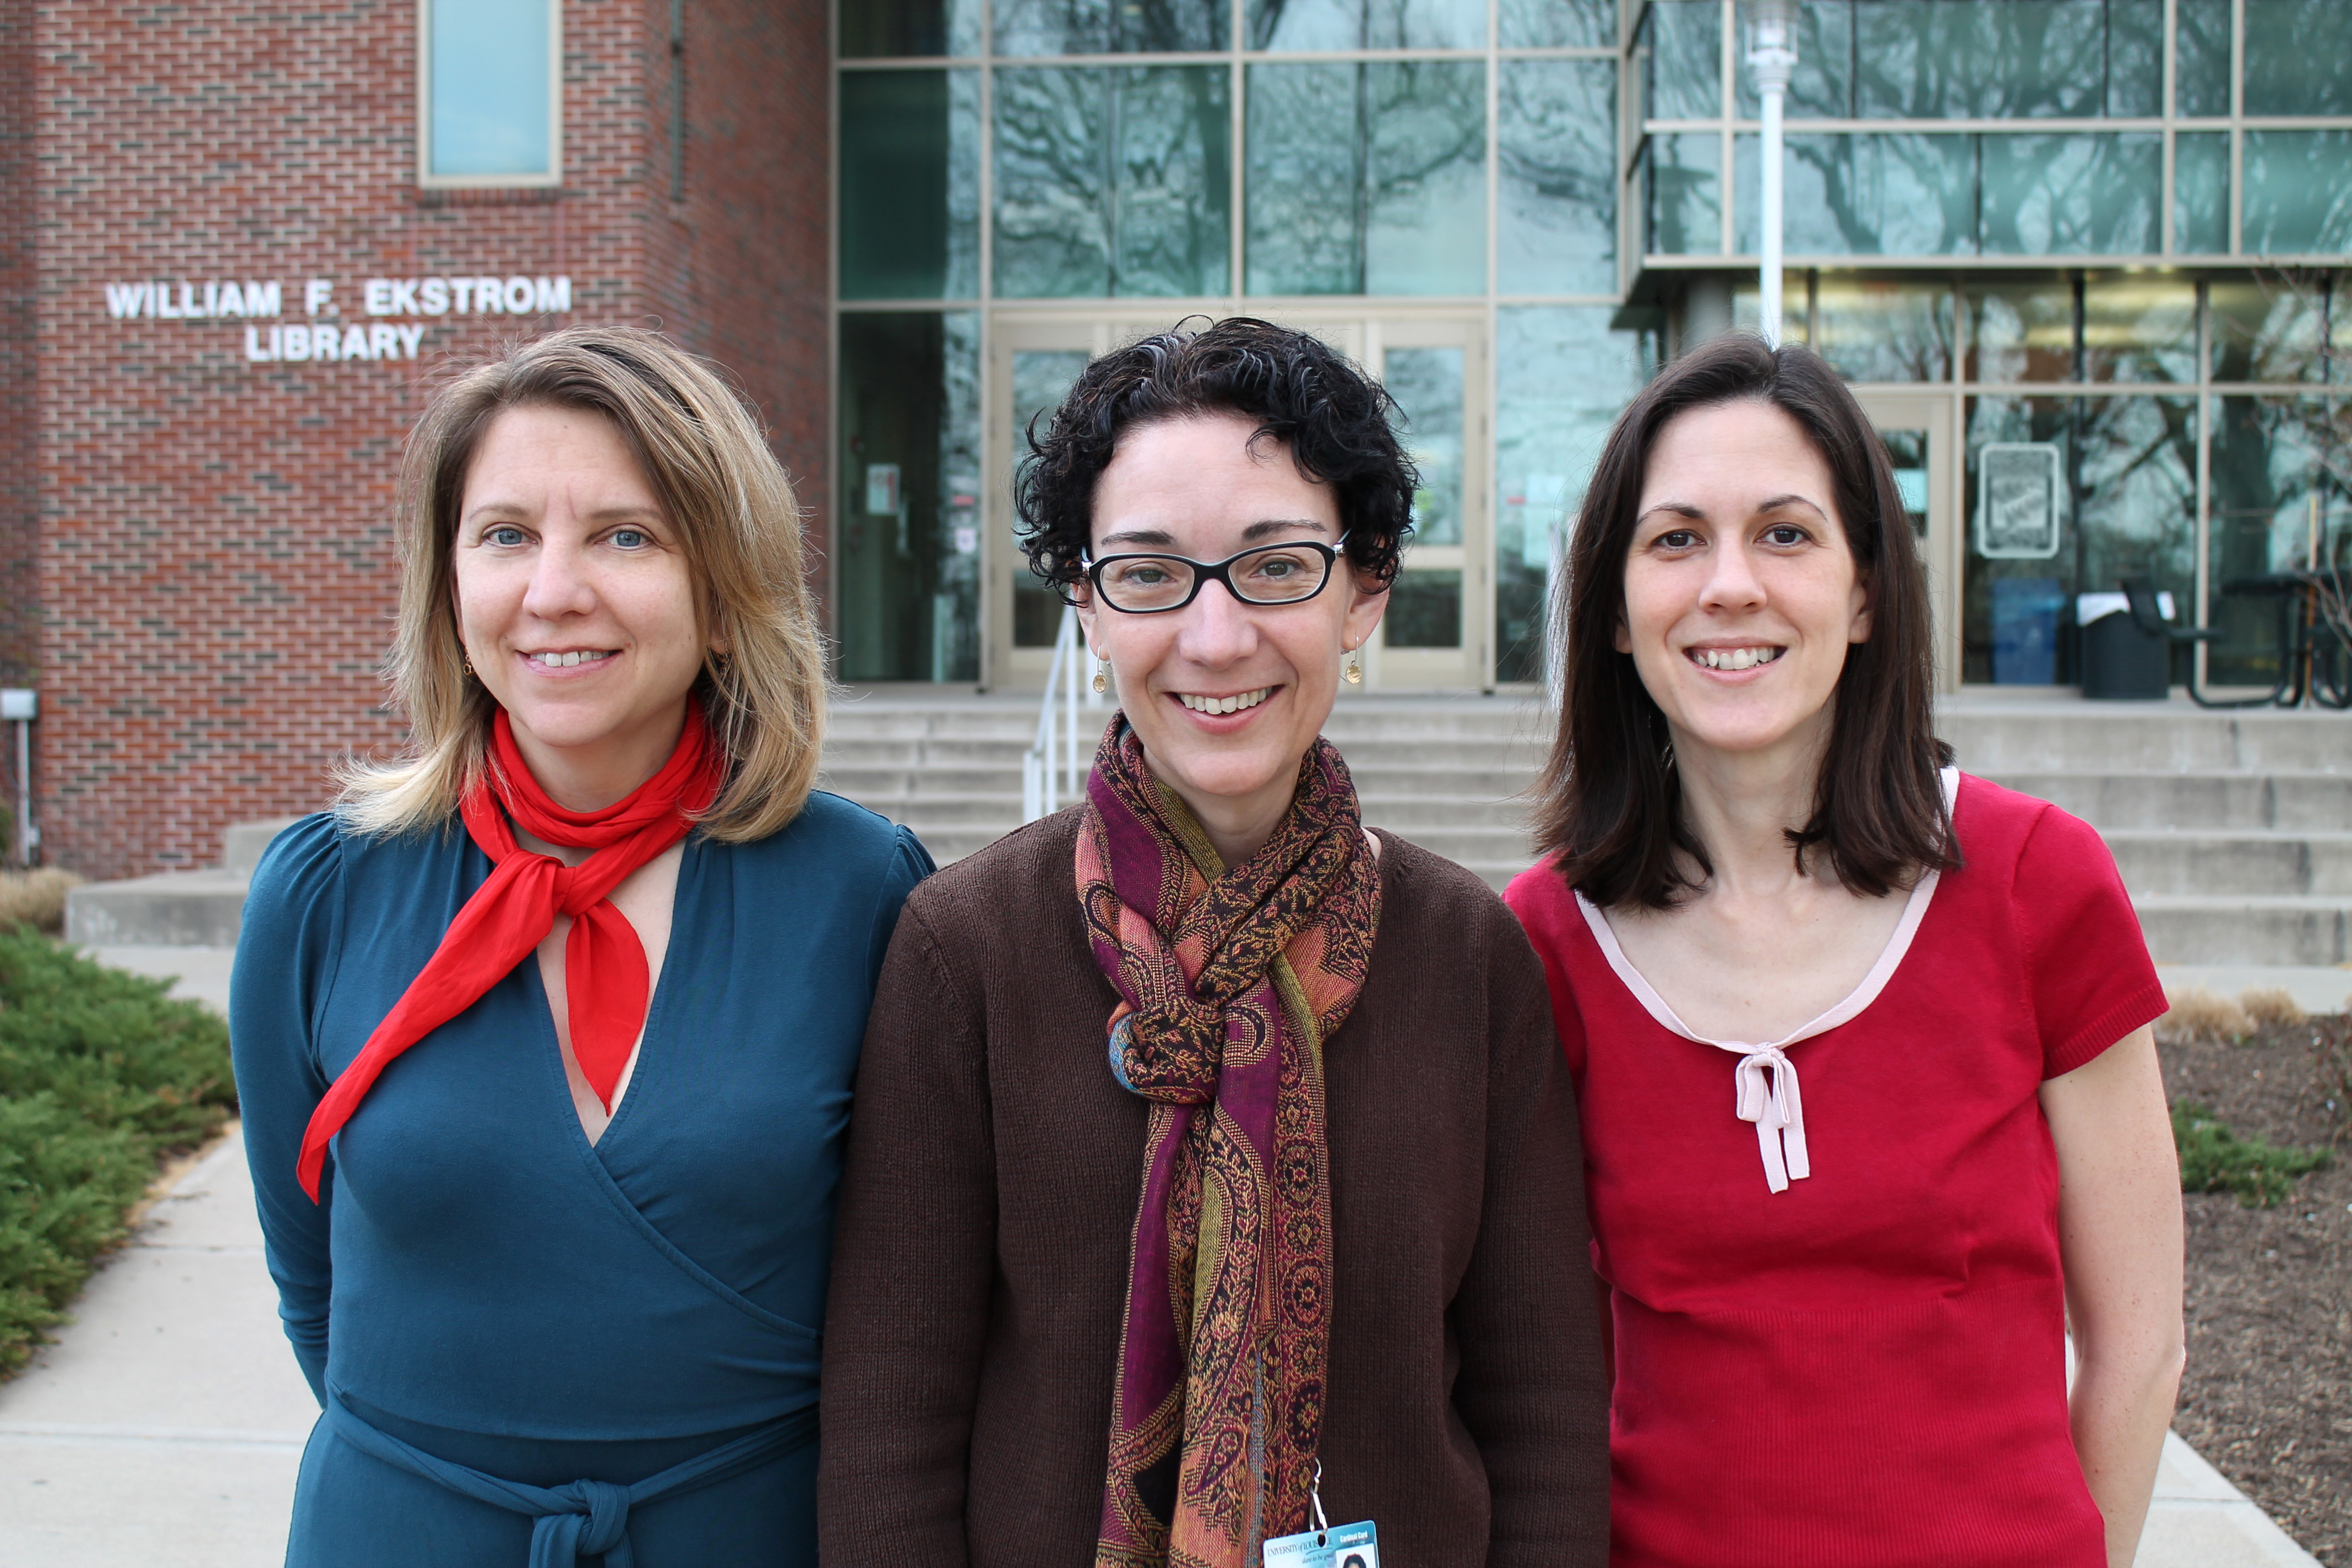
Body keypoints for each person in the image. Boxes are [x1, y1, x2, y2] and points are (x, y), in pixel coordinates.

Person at [817, 317, 1611, 1568]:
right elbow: (890, 1439)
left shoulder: (1470, 954)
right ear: (1084, 602)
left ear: (1367, 591)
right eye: (1148, 573)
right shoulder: (961, 951)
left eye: (1277, 566)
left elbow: (1545, 1414)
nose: (1217, 634)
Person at [231, 325, 930, 1568]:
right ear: (450, 586)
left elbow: (911, 1310)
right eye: (505, 534)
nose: (553, 590)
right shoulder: (324, 891)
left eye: (625, 534)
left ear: (724, 596)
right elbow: (312, 1283)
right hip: (403, 1531)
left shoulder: (861, 892)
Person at [1505, 335, 2185, 1568]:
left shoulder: (2041, 881)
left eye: (1785, 532)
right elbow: (1526, 1372)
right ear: (1611, 610)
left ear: (1866, 591)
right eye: (1675, 539)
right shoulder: (1545, 940)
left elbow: (2140, 1341)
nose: (1729, 585)